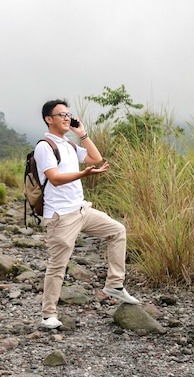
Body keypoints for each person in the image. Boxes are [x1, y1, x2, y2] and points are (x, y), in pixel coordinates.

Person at [35, 99, 139, 329]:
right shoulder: (45, 146)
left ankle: (114, 285)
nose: (66, 117)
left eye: (68, 114)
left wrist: (82, 134)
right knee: (57, 265)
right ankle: (48, 314)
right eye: (61, 114)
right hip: (61, 216)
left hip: (82, 209)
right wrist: (84, 175)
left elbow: (95, 158)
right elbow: (54, 178)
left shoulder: (69, 145)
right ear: (48, 119)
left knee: (117, 231)